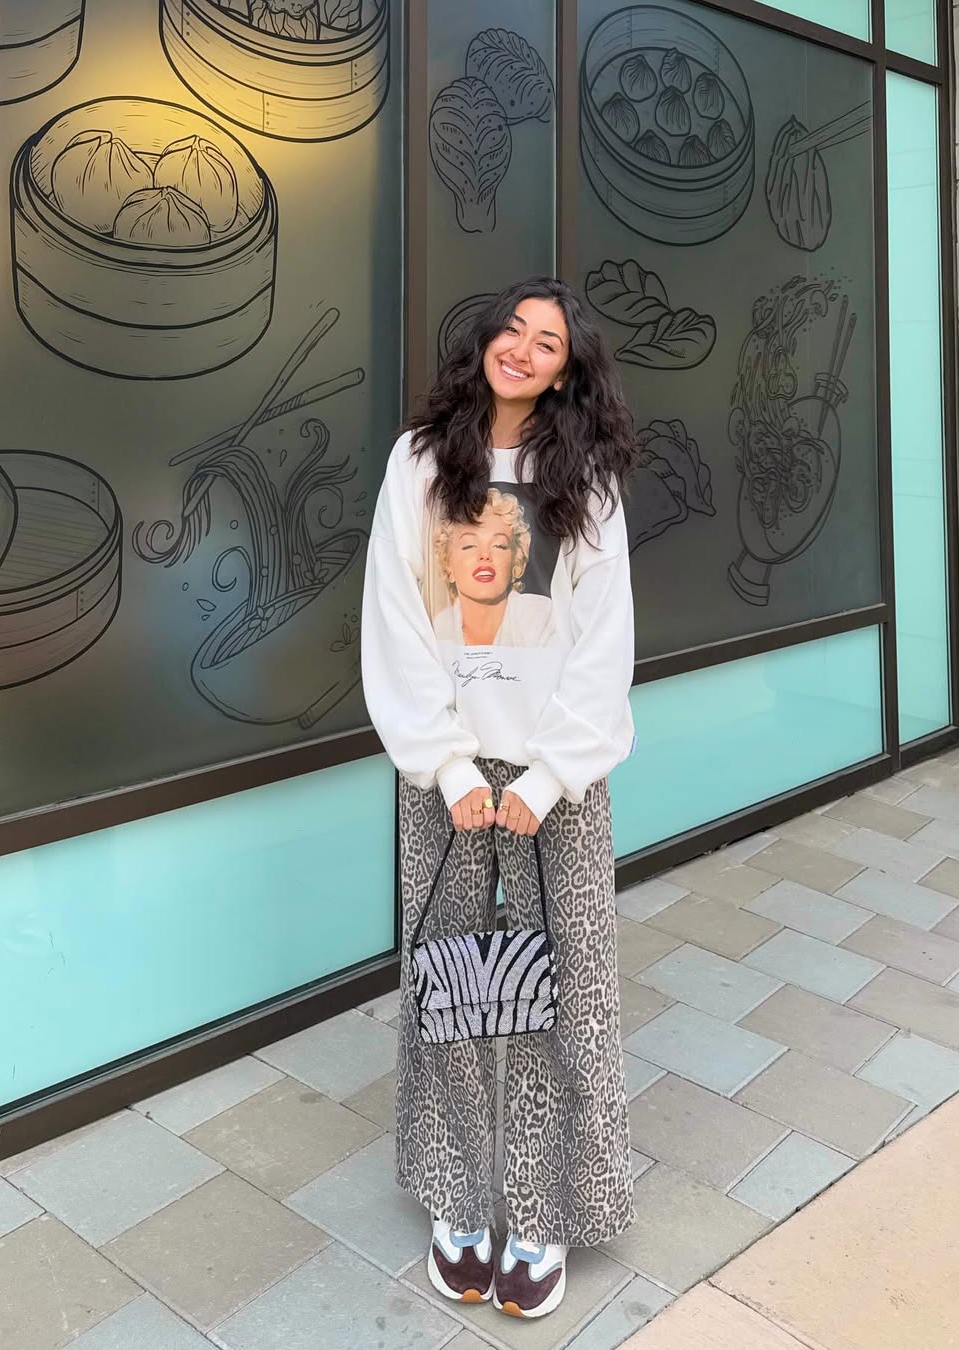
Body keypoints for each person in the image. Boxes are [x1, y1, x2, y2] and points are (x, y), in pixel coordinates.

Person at [361, 276, 638, 1321]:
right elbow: (395, 612)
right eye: (512, 330)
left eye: (547, 341)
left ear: (567, 371)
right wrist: (447, 764)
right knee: (451, 991)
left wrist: (554, 774)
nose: (522, 348)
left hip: (554, 785)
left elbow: (604, 633)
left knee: (566, 992)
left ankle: (544, 1209)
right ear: (486, 342)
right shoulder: (420, 462)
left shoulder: (588, 477)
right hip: (447, 777)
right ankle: (460, 1200)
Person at [431, 487, 555, 648]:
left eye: (499, 545)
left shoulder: (540, 617)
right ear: (448, 565)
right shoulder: (437, 628)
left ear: (517, 563)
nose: (485, 555)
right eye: (469, 546)